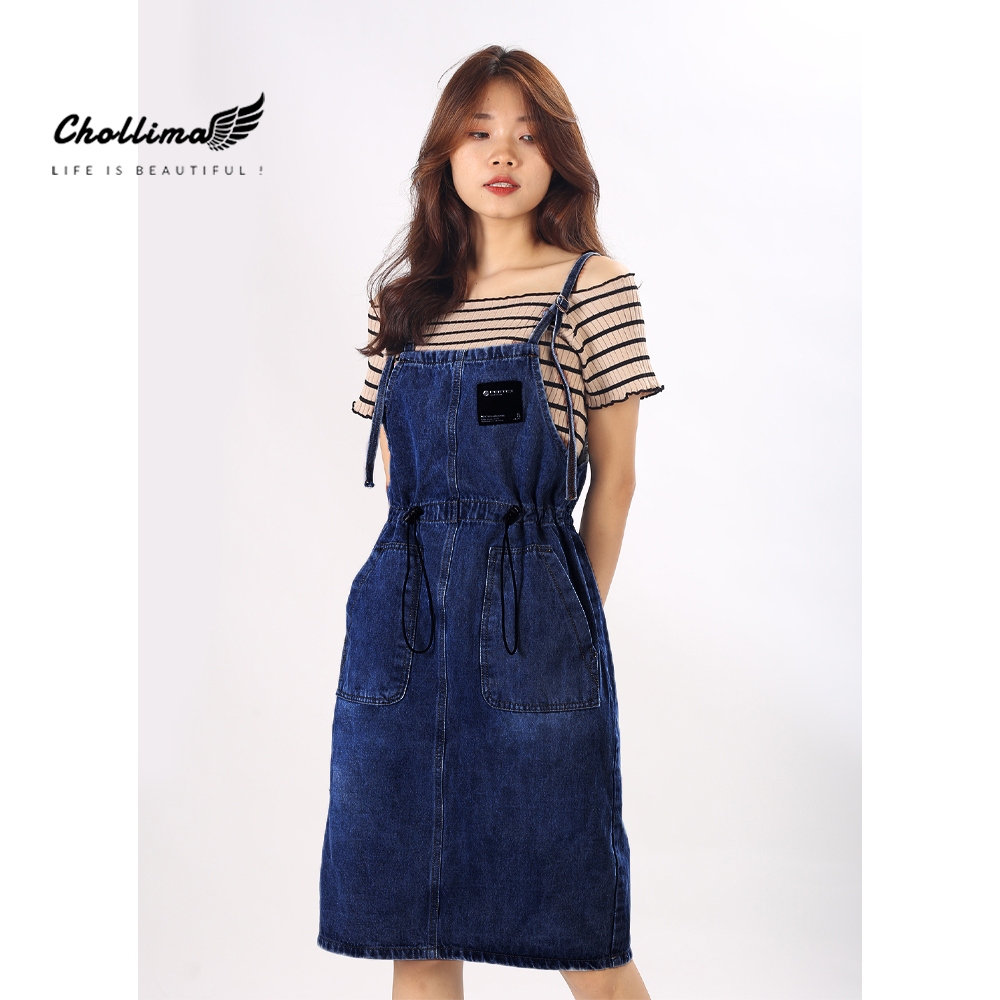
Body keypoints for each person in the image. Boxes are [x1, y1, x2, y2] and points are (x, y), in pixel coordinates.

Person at [319, 45, 662, 1000]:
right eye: (479, 132)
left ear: (560, 158)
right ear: (447, 154)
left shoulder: (594, 286)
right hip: (401, 630)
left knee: (583, 932)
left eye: (528, 134)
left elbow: (617, 482)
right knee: (413, 927)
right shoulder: (403, 303)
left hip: (534, 625)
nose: (502, 152)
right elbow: (399, 475)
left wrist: (565, 625)